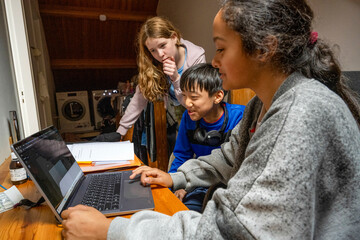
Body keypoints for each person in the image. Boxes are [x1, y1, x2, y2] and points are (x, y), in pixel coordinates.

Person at [61, 0, 360, 239]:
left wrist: (113, 231)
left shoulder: (301, 112)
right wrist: (176, 177)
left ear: (264, 49)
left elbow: (235, 232)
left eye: (220, 47)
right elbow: (229, 157)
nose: (214, 61)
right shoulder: (262, 104)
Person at [94, 17, 206, 145]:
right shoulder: (153, 62)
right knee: (177, 156)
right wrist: (120, 131)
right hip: (174, 112)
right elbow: (139, 98)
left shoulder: (196, 57)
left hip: (197, 113)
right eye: (153, 50)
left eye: (163, 45)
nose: (160, 54)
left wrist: (176, 78)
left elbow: (193, 103)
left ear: (174, 37)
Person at [169, 63, 245, 212]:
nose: (187, 103)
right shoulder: (188, 117)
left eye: (194, 97)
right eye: (184, 96)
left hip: (229, 185)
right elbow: (181, 155)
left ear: (217, 96)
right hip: (198, 183)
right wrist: (178, 184)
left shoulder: (240, 116)